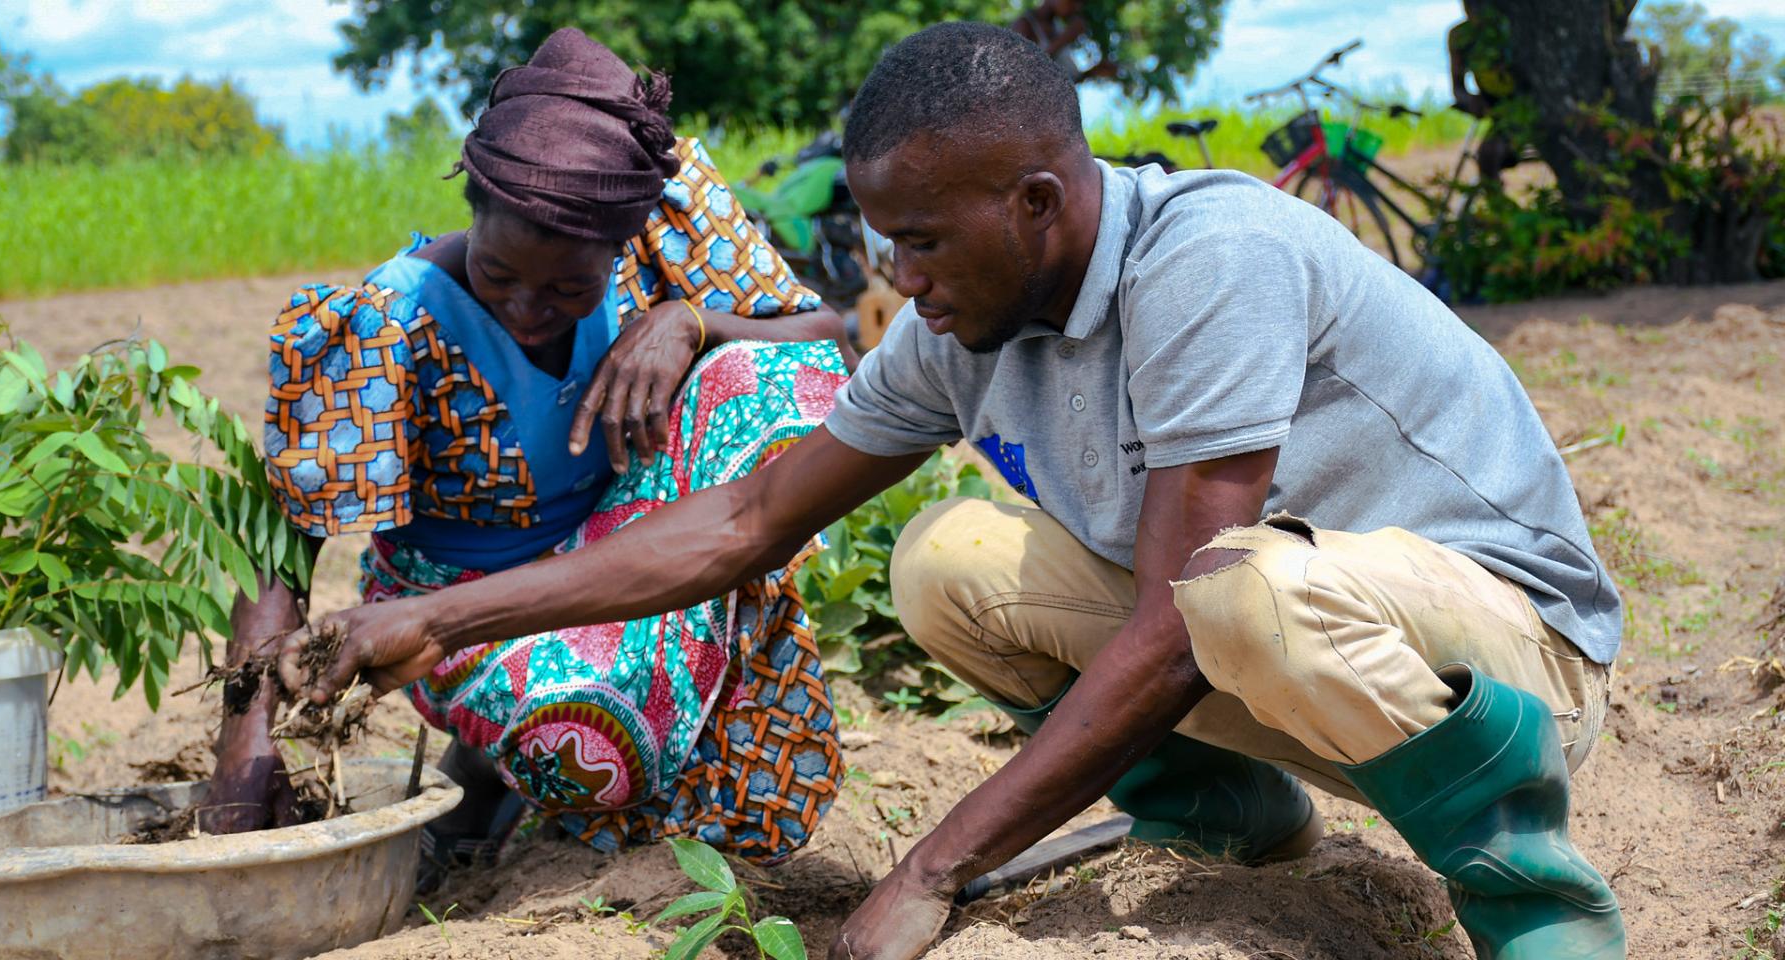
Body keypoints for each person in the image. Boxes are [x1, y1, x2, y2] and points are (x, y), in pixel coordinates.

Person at [273, 22, 1628, 960]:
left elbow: (1174, 627)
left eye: (923, 241)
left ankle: (1529, 885)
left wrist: (933, 867)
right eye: (884, 242)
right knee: (949, 561)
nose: (898, 280)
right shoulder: (953, 325)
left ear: (1037, 202)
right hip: (1299, 647)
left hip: (1510, 659)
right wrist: (445, 619)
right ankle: (1226, 805)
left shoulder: (1212, 260)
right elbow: (746, 523)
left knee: (1237, 587)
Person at [206, 27, 855, 883]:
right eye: (501, 273)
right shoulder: (386, 324)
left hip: (624, 553)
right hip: (449, 608)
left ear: (621, 245)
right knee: (587, 737)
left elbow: (821, 343)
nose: (528, 307)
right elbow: (282, 546)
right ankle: (490, 763)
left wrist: (689, 322)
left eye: (567, 289)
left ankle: (550, 769)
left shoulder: (659, 230)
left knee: (766, 375)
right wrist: (245, 743)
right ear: (470, 209)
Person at [1448, 0, 1523, 188]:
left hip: (1525, 105)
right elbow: (1458, 87)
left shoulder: (1512, 28)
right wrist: (1471, 99)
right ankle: (1499, 209)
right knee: (1488, 155)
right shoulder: (1460, 36)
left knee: (1491, 151)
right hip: (1496, 108)